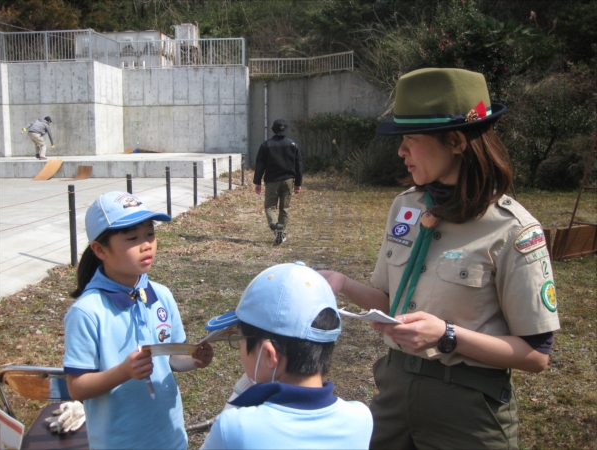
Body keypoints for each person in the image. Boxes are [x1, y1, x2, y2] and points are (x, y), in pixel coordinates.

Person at [320, 68, 560, 449]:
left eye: (411, 139)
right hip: (394, 395)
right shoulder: (405, 207)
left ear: (456, 141)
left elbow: (535, 354)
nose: (400, 151)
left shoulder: (514, 230)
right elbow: (390, 303)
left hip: (468, 412)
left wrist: (447, 336)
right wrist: (343, 284)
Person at [63, 191, 214, 449]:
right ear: (100, 249)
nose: (146, 244)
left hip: (170, 437)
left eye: (150, 234)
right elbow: (77, 387)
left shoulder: (161, 296)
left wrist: (194, 359)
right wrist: (123, 372)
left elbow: (172, 357)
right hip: (120, 442)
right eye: (132, 237)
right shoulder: (87, 312)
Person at [201, 261, 373, 449]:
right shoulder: (361, 418)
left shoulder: (234, 427)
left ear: (269, 355)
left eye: (239, 340)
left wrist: (240, 394)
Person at [253, 119, 303, 245]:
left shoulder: (266, 145)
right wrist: (298, 183)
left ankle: (275, 226)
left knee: (270, 207)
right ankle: (282, 234)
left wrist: (257, 181)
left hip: (272, 181)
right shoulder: (293, 144)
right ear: (285, 130)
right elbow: (299, 165)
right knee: (284, 208)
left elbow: (260, 165)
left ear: (273, 130)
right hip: (288, 180)